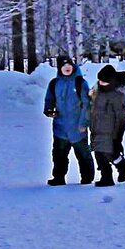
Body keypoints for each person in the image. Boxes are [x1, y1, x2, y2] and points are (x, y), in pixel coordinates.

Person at [43, 56, 94, 186]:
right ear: (60, 68)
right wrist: (48, 110)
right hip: (60, 127)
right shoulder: (54, 83)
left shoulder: (80, 83)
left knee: (83, 155)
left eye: (69, 65)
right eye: (64, 66)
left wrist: (84, 123)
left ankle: (87, 178)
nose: (67, 68)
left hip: (78, 128)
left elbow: (86, 105)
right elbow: (49, 99)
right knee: (59, 155)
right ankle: (58, 177)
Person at [89, 65, 125, 187]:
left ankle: (123, 167)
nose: (101, 82)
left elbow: (121, 117)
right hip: (97, 129)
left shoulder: (116, 96)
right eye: (100, 80)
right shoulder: (97, 92)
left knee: (112, 153)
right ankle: (106, 177)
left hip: (110, 132)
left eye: (104, 81)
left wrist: (118, 136)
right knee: (99, 154)